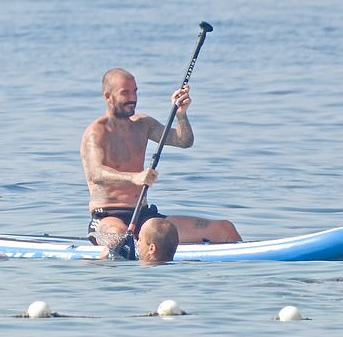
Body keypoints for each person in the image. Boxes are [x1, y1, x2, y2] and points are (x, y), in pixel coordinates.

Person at [81, 68, 242, 246]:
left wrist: (181, 114)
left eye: (135, 91)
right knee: (119, 238)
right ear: (107, 96)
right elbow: (95, 173)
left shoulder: (143, 125)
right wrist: (134, 177)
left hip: (144, 217)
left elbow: (183, 140)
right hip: (107, 218)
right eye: (125, 93)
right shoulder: (96, 132)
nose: (133, 98)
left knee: (225, 230)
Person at [95, 217, 179, 262]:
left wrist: (105, 258)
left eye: (140, 239)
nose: (137, 243)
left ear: (151, 248)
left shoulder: (140, 273)